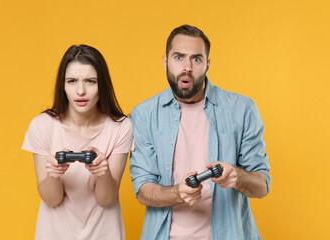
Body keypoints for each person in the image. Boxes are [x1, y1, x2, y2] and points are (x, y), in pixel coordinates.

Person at [129, 25, 270, 240]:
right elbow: (142, 188)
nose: (186, 67)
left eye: (196, 59)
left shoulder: (242, 109)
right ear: (165, 61)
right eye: (178, 57)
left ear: (207, 64)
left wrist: (236, 176)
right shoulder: (143, 115)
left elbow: (262, 186)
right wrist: (178, 193)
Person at [22, 45, 133, 240]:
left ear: (102, 85)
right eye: (72, 81)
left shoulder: (121, 127)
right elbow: (51, 199)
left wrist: (103, 173)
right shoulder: (42, 125)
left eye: (90, 81)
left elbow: (105, 198)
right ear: (62, 85)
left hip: (105, 234)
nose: (80, 91)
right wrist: (53, 175)